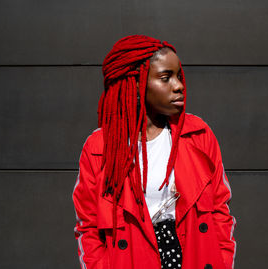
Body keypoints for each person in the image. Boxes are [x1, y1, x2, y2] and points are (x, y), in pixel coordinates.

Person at [72, 35, 236, 269]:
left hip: (192, 258)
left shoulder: (198, 135)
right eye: (165, 77)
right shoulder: (100, 149)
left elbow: (221, 211)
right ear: (136, 85)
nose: (179, 85)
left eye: (178, 75)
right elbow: (87, 227)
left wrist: (222, 263)